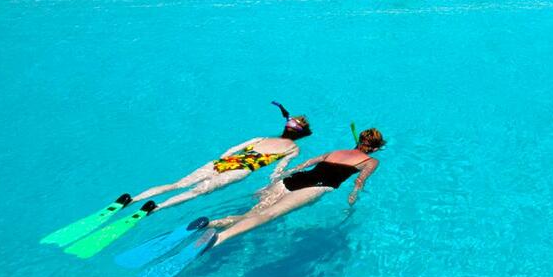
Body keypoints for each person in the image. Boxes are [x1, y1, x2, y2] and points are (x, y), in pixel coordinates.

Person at [208, 128, 385, 246]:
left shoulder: (336, 152)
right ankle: (219, 238)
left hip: (291, 180)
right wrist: (352, 200)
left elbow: (305, 164)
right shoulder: (371, 161)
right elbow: (359, 182)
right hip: (315, 187)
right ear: (375, 149)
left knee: (251, 213)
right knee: (269, 214)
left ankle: (211, 223)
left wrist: (281, 176)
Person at [131, 101, 311, 210]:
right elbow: (278, 170)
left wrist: (221, 161)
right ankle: (157, 207)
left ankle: (133, 199)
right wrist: (270, 185)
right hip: (240, 170)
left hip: (222, 163)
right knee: (196, 191)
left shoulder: (261, 138)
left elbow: (231, 150)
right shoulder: (292, 149)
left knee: (177, 184)